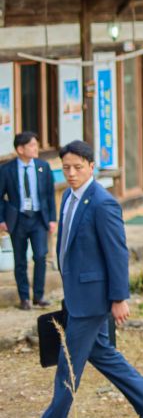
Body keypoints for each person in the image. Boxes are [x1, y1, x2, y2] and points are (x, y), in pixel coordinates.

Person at [17, 140, 143, 418]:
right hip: (77, 293)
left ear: (91, 167)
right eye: (66, 167)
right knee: (102, 353)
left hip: (94, 298)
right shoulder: (68, 198)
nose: (71, 173)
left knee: (68, 362)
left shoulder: (103, 203)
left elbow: (117, 253)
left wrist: (119, 298)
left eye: (77, 167)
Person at [0, 131, 57, 310]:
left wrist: (52, 220)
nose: (36, 148)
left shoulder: (43, 167)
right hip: (17, 220)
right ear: (20, 149)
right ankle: (24, 297)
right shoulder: (7, 170)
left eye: (36, 144)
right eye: (32, 145)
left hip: (39, 218)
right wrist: (2, 219)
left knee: (40, 256)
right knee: (20, 260)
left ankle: (38, 296)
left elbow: (49, 195)